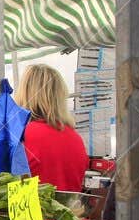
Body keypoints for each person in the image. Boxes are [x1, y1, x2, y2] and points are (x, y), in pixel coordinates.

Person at [17, 63, 88, 191]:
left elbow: (10, 187)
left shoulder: (22, 134)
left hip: (31, 210)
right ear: (60, 96)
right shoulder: (76, 138)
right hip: (70, 209)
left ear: (24, 93)